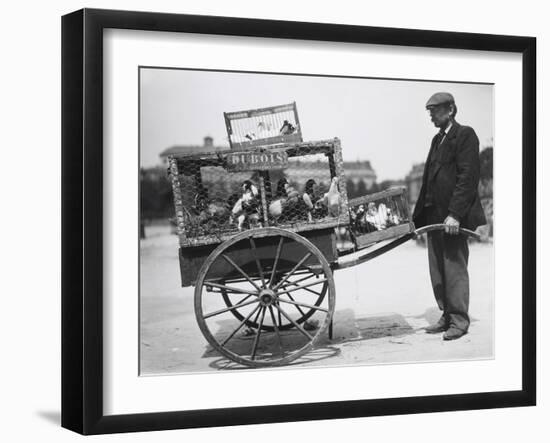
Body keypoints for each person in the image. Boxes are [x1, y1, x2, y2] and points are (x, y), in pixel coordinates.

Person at [413, 92, 487, 341]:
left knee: (454, 268)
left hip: (452, 217)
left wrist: (455, 214)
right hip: (434, 215)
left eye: (434, 110)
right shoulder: (437, 140)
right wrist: (417, 219)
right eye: (430, 111)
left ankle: (459, 320)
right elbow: (427, 181)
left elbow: (468, 178)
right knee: (438, 269)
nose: (431, 115)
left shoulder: (465, 135)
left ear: (451, 110)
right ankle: (447, 314)